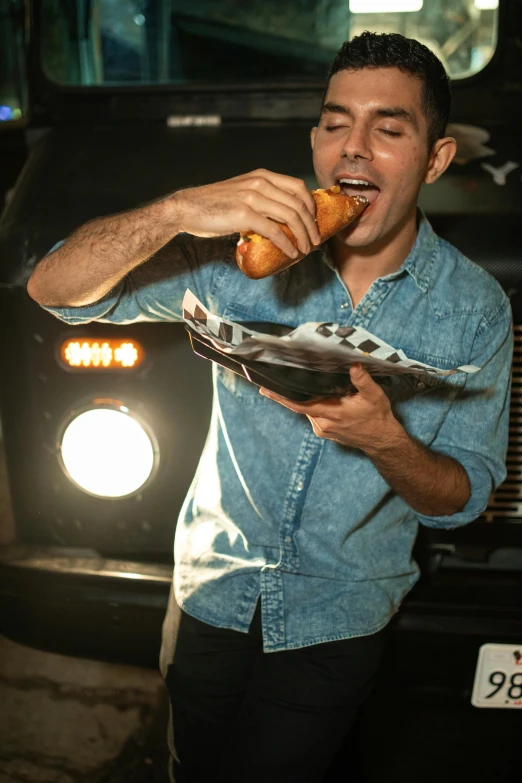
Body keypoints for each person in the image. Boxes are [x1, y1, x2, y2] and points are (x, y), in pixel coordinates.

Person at [27, 32, 512, 783]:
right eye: (334, 123)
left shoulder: (473, 307)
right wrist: (181, 209)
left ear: (435, 158)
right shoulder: (236, 251)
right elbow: (52, 291)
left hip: (338, 616)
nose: (354, 150)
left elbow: (464, 500)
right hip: (207, 594)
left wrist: (386, 439)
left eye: (388, 129)